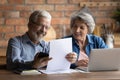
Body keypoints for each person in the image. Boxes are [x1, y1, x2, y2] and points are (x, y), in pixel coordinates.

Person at [6, 10, 77, 71]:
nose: (43, 30)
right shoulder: (15, 42)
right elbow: (11, 64)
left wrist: (70, 59)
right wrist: (33, 64)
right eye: (40, 25)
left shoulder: (46, 45)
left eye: (47, 27)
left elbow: (57, 63)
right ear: (29, 25)